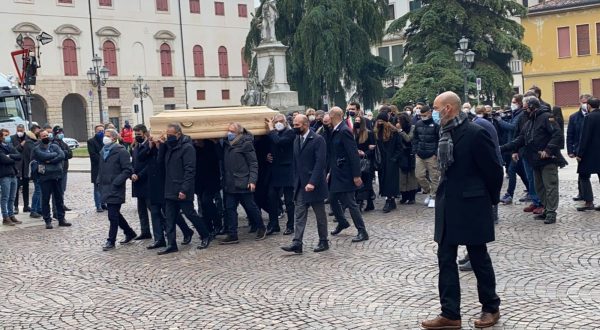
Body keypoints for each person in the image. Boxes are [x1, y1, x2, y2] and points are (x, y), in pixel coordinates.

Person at [420, 92, 502, 330]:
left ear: (447, 109)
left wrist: (489, 200)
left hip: (472, 203)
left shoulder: (476, 133)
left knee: (478, 257)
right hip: (448, 204)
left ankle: (491, 307)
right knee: (445, 257)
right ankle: (450, 313)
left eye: (435, 108)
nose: (432, 112)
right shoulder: (444, 132)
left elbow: (494, 171)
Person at [501, 96, 566, 224]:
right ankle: (546, 209)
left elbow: (557, 134)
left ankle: (551, 212)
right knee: (539, 187)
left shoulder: (547, 117)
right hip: (535, 160)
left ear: (532, 107)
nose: (524, 110)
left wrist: (548, 150)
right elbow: (520, 139)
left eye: (526, 108)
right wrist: (502, 148)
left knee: (550, 186)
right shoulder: (529, 122)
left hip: (548, 160)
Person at [158, 123, 211, 255]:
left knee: (190, 214)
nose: (168, 137)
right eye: (167, 134)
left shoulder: (187, 148)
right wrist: (162, 146)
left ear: (178, 134)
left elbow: (190, 170)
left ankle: (205, 235)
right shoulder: (169, 147)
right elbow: (160, 163)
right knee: (169, 217)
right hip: (170, 187)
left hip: (182, 188)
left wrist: (184, 189)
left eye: (170, 135)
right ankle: (171, 244)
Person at [281, 114, 330, 253]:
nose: (295, 127)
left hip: (315, 185)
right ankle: (297, 242)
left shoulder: (318, 140)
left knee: (320, 215)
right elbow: (296, 163)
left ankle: (323, 240)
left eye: (297, 125)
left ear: (306, 124)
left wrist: (313, 182)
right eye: (294, 124)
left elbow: (320, 163)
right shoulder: (296, 140)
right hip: (301, 185)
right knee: (299, 213)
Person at [220, 122, 267, 244]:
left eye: (232, 131)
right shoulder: (226, 144)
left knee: (250, 207)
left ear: (239, 133)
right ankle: (232, 234)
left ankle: (261, 227)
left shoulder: (246, 143)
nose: (229, 133)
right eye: (228, 130)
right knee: (229, 208)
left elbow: (253, 163)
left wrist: (252, 180)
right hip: (230, 183)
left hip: (243, 182)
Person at [327, 107, 369, 242]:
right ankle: (342, 222)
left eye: (329, 114)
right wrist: (330, 172)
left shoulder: (344, 130)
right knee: (332, 199)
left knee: (351, 203)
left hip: (346, 173)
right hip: (337, 172)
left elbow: (353, 154)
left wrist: (356, 175)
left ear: (333, 115)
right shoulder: (336, 129)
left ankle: (362, 231)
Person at [97, 129, 137, 251]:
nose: (105, 138)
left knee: (112, 215)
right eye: (105, 136)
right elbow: (101, 169)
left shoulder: (121, 151)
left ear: (114, 138)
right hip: (105, 186)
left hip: (115, 188)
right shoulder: (103, 151)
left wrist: (116, 182)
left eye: (108, 136)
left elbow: (127, 169)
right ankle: (129, 232)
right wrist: (99, 180)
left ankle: (111, 240)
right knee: (115, 214)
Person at [32, 130, 71, 229]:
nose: (46, 137)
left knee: (59, 199)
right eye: (43, 136)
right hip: (45, 177)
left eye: (47, 135)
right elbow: (42, 156)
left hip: (57, 175)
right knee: (45, 199)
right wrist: (54, 155)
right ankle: (47, 220)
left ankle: (61, 219)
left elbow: (62, 155)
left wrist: (50, 161)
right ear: (39, 138)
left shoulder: (55, 146)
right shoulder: (37, 148)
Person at [265, 114, 296, 235]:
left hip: (287, 170)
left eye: (280, 121)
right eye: (276, 121)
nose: (278, 123)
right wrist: (267, 156)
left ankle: (290, 225)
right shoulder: (272, 134)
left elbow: (279, 142)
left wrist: (271, 128)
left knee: (289, 200)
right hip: (275, 170)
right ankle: (274, 224)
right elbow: (270, 147)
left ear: (285, 122)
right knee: (271, 197)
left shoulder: (290, 133)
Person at [497, 94, 529, 204]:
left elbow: (513, 127)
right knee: (520, 171)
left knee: (511, 170)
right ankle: (530, 190)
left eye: (514, 102)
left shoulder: (520, 114)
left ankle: (509, 195)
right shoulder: (516, 113)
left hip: (518, 146)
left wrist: (500, 121)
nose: (512, 104)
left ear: (519, 103)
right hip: (514, 147)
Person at [374, 110, 403, 212]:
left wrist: (394, 158)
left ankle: (389, 200)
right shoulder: (377, 132)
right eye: (378, 121)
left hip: (391, 160)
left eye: (381, 121)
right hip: (382, 160)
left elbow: (400, 147)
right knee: (383, 180)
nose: (379, 123)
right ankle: (390, 200)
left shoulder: (393, 132)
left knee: (390, 181)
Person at [413, 105, 440, 208]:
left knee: (434, 177)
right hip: (420, 154)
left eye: (424, 115)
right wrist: (415, 150)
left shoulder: (436, 125)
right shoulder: (418, 124)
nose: (422, 117)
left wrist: (435, 153)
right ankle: (429, 191)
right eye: (421, 115)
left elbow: (439, 139)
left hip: (431, 155)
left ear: (429, 113)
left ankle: (433, 197)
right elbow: (415, 138)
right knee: (419, 176)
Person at [575, 97, 600, 211]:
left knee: (584, 176)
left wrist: (580, 154)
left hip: (589, 153)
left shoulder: (589, 118)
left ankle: (589, 202)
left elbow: (584, 137)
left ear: (589, 106)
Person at [193, 139, 222, 236]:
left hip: (211, 180)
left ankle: (217, 224)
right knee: (202, 204)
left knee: (206, 201)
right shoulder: (193, 147)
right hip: (199, 181)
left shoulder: (211, 145)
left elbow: (219, 157)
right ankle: (208, 228)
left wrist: (216, 143)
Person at [131, 125, 153, 240]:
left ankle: (164, 229)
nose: (137, 136)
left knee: (152, 208)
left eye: (138, 134)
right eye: (135, 134)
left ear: (144, 133)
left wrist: (139, 175)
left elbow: (149, 165)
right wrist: (132, 173)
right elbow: (133, 162)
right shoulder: (135, 146)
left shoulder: (148, 146)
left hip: (147, 181)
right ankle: (145, 231)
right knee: (141, 210)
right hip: (137, 182)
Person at [567, 94, 591, 202]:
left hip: (593, 149)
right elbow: (570, 135)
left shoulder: (594, 115)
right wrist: (570, 150)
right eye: (583, 102)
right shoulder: (574, 117)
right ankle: (582, 193)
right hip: (579, 149)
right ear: (580, 103)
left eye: (587, 102)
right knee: (582, 172)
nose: (585, 104)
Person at [353, 115, 376, 211]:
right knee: (362, 182)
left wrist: (364, 153)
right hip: (357, 160)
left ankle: (361, 201)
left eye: (359, 121)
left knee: (366, 182)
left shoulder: (368, 133)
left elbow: (373, 148)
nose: (357, 122)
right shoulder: (353, 133)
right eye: (356, 120)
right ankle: (369, 203)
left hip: (367, 161)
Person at [0, 129, 22, 226]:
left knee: (12, 197)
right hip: (4, 175)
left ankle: (11, 215)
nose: (7, 137)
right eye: (5, 135)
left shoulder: (10, 146)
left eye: (8, 135)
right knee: (5, 197)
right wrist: (11, 158)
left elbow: (19, 156)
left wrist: (10, 156)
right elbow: (5, 160)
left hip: (13, 173)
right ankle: (5, 217)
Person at [397, 113, 419, 204]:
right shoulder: (397, 129)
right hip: (401, 154)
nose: (398, 122)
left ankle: (411, 197)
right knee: (402, 176)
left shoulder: (412, 127)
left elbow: (409, 138)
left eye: (399, 120)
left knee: (411, 176)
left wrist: (401, 131)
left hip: (410, 153)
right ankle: (404, 196)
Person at [52, 126, 73, 212]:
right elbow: (58, 155)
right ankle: (55, 208)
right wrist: (64, 153)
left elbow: (70, 154)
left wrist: (64, 153)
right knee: (56, 190)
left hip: (64, 169)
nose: (60, 134)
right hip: (57, 170)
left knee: (62, 189)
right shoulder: (53, 143)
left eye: (61, 133)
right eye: (58, 133)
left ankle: (61, 204)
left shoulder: (64, 143)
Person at [10, 124, 30, 214]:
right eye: (18, 130)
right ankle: (16, 206)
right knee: (16, 188)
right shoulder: (12, 138)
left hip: (25, 165)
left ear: (24, 130)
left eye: (21, 130)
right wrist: (20, 145)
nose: (20, 132)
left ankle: (26, 206)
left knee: (26, 187)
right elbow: (12, 150)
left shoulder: (28, 138)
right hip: (17, 166)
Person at [87, 124, 105, 212]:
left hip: (105, 168)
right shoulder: (91, 141)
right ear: (95, 132)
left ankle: (104, 203)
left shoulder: (105, 140)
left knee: (105, 187)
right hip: (97, 168)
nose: (101, 132)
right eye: (99, 131)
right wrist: (104, 159)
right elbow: (93, 155)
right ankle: (98, 205)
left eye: (102, 131)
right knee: (97, 187)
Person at [26, 131, 42, 219]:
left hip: (40, 171)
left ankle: (38, 209)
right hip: (37, 171)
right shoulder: (37, 146)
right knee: (38, 191)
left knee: (40, 191)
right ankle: (34, 210)